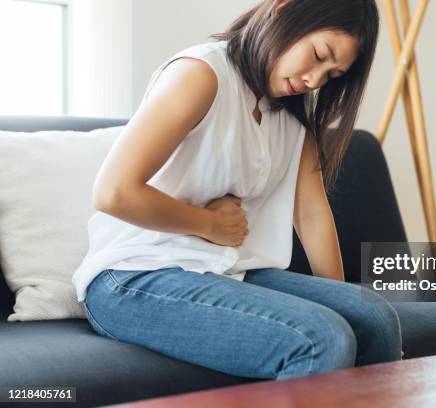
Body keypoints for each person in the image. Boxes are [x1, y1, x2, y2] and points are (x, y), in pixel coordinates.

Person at [73, 0, 403, 381]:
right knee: (319, 339)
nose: (315, 80)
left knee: (374, 319)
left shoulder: (291, 113)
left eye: (331, 75)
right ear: (282, 10)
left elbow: (311, 214)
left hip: (224, 270)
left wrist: (341, 303)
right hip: (133, 274)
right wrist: (208, 224)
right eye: (318, 55)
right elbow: (113, 192)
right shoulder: (201, 74)